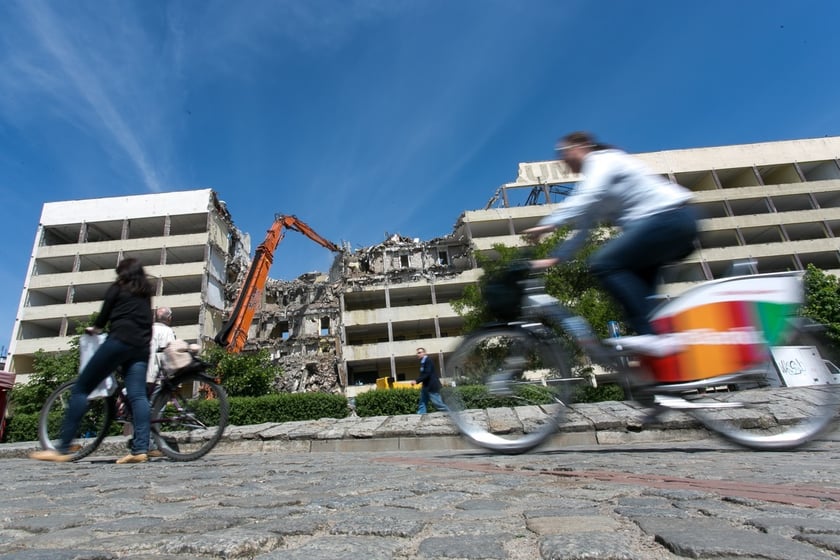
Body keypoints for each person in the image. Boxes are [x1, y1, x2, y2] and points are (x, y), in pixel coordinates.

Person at [525, 131, 698, 357]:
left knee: (604, 264)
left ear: (583, 146)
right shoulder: (595, 181)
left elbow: (588, 195)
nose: (562, 160)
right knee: (640, 306)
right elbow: (582, 232)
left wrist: (548, 224)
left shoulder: (603, 160)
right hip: (664, 229)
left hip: (670, 219)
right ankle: (660, 374)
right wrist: (553, 259)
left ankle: (654, 339)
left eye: (564, 152)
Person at [31, 258, 154, 464]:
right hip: (141, 348)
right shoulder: (145, 294)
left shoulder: (118, 288)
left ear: (122, 274)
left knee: (81, 389)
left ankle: (62, 448)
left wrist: (94, 330)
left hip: (119, 341)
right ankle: (140, 449)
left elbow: (103, 316)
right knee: (138, 396)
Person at [147, 306, 176, 395]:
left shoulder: (148, 329)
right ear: (169, 318)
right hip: (159, 374)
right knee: (158, 403)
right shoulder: (167, 331)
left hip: (144, 372)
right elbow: (172, 351)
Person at [411, 348, 449, 414]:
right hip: (426, 387)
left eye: (420, 352)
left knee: (438, 404)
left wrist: (416, 381)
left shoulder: (428, 360)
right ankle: (420, 416)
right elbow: (423, 374)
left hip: (432, 386)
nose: (418, 354)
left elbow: (427, 373)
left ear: (425, 353)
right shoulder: (423, 362)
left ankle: (451, 414)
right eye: (417, 353)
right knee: (422, 402)